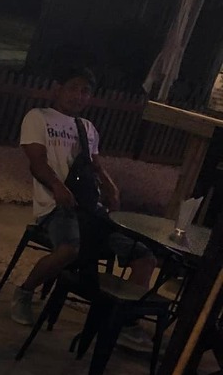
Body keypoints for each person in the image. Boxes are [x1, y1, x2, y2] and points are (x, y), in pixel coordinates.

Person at [12, 65, 155, 330]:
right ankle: (25, 291)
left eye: (85, 91)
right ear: (58, 89)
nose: (78, 95)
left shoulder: (86, 127)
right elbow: (37, 162)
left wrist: (110, 186)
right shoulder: (38, 117)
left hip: (90, 207)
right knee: (69, 249)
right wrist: (57, 187)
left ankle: (125, 323)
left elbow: (95, 165)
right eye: (73, 88)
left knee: (144, 256)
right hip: (56, 207)